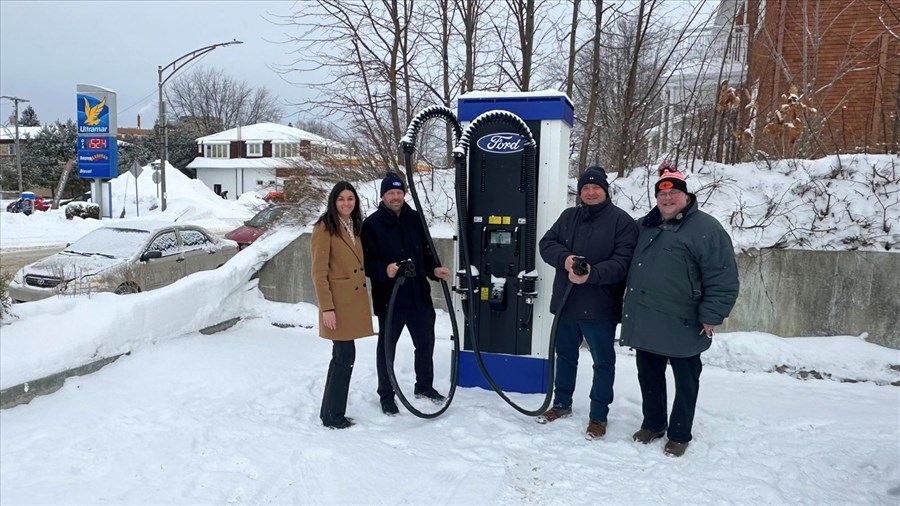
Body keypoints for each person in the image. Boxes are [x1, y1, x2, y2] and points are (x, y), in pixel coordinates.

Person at [620, 162, 739, 457]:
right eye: (662, 195)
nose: (668, 199)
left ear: (686, 196)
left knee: (686, 380)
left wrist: (712, 315)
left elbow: (722, 276)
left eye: (674, 193)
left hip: (684, 320)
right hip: (647, 316)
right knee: (649, 375)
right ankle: (653, 424)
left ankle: (680, 432)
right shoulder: (645, 226)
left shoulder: (706, 229)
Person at [536, 166, 639, 439]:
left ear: (605, 191)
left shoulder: (622, 222)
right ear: (580, 193)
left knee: (603, 363)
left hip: (600, 306)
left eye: (595, 188)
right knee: (565, 356)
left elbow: (622, 263)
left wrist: (592, 275)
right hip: (567, 304)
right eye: (585, 188)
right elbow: (547, 243)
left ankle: (598, 416)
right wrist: (565, 259)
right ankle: (561, 404)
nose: (590, 192)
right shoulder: (569, 216)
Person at [361, 172, 451, 416]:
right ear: (383, 196)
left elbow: (426, 251)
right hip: (390, 299)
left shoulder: (415, 218)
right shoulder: (371, 225)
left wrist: (434, 269)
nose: (396, 197)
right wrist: (385, 269)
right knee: (386, 348)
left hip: (418, 295)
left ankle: (424, 386)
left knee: (425, 343)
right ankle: (387, 394)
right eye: (391, 193)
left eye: (399, 193)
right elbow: (366, 263)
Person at [310, 181, 374, 429]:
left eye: (350, 198)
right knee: (344, 357)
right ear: (333, 202)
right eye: (341, 199)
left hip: (352, 302)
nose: (346, 203)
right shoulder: (324, 228)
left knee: (342, 357)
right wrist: (327, 308)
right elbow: (318, 272)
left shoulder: (353, 226)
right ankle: (332, 416)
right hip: (337, 304)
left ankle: (331, 412)